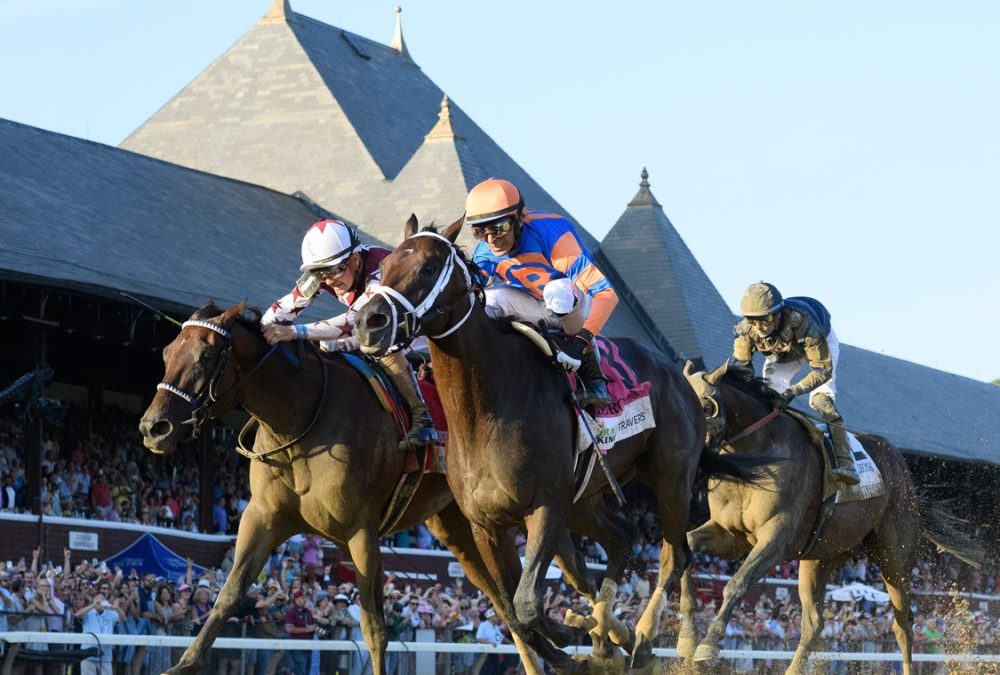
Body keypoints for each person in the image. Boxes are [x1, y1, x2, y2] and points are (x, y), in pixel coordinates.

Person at [261, 219, 437, 449]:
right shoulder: (325, 274)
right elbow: (283, 309)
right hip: (371, 325)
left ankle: (421, 415)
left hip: (417, 328)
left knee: (376, 341)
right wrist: (259, 331)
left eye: (332, 270)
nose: (327, 280)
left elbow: (354, 320)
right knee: (326, 348)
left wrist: (294, 332)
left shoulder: (379, 267)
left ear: (355, 260)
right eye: (318, 273)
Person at [464, 178, 618, 407]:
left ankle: (592, 375)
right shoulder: (484, 251)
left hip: (578, 303)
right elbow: (470, 292)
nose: (491, 239)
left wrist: (580, 343)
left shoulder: (550, 233)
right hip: (534, 304)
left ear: (519, 218)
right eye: (479, 231)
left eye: (499, 227)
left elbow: (607, 295)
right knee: (485, 302)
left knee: (557, 291)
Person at [732, 281, 860, 485]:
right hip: (783, 356)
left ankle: (846, 462)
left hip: (821, 347)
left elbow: (821, 371)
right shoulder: (746, 330)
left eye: (764, 320)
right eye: (753, 321)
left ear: (777, 314)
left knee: (821, 402)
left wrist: (793, 391)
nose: (759, 327)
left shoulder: (804, 323)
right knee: (767, 400)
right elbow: (741, 371)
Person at [74, 590, 125, 675]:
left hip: (106, 656)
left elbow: (123, 619)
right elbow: (77, 615)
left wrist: (117, 608)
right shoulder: (88, 612)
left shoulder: (111, 613)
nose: (100, 603)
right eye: (98, 601)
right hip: (88, 655)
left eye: (102, 601)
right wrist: (93, 605)